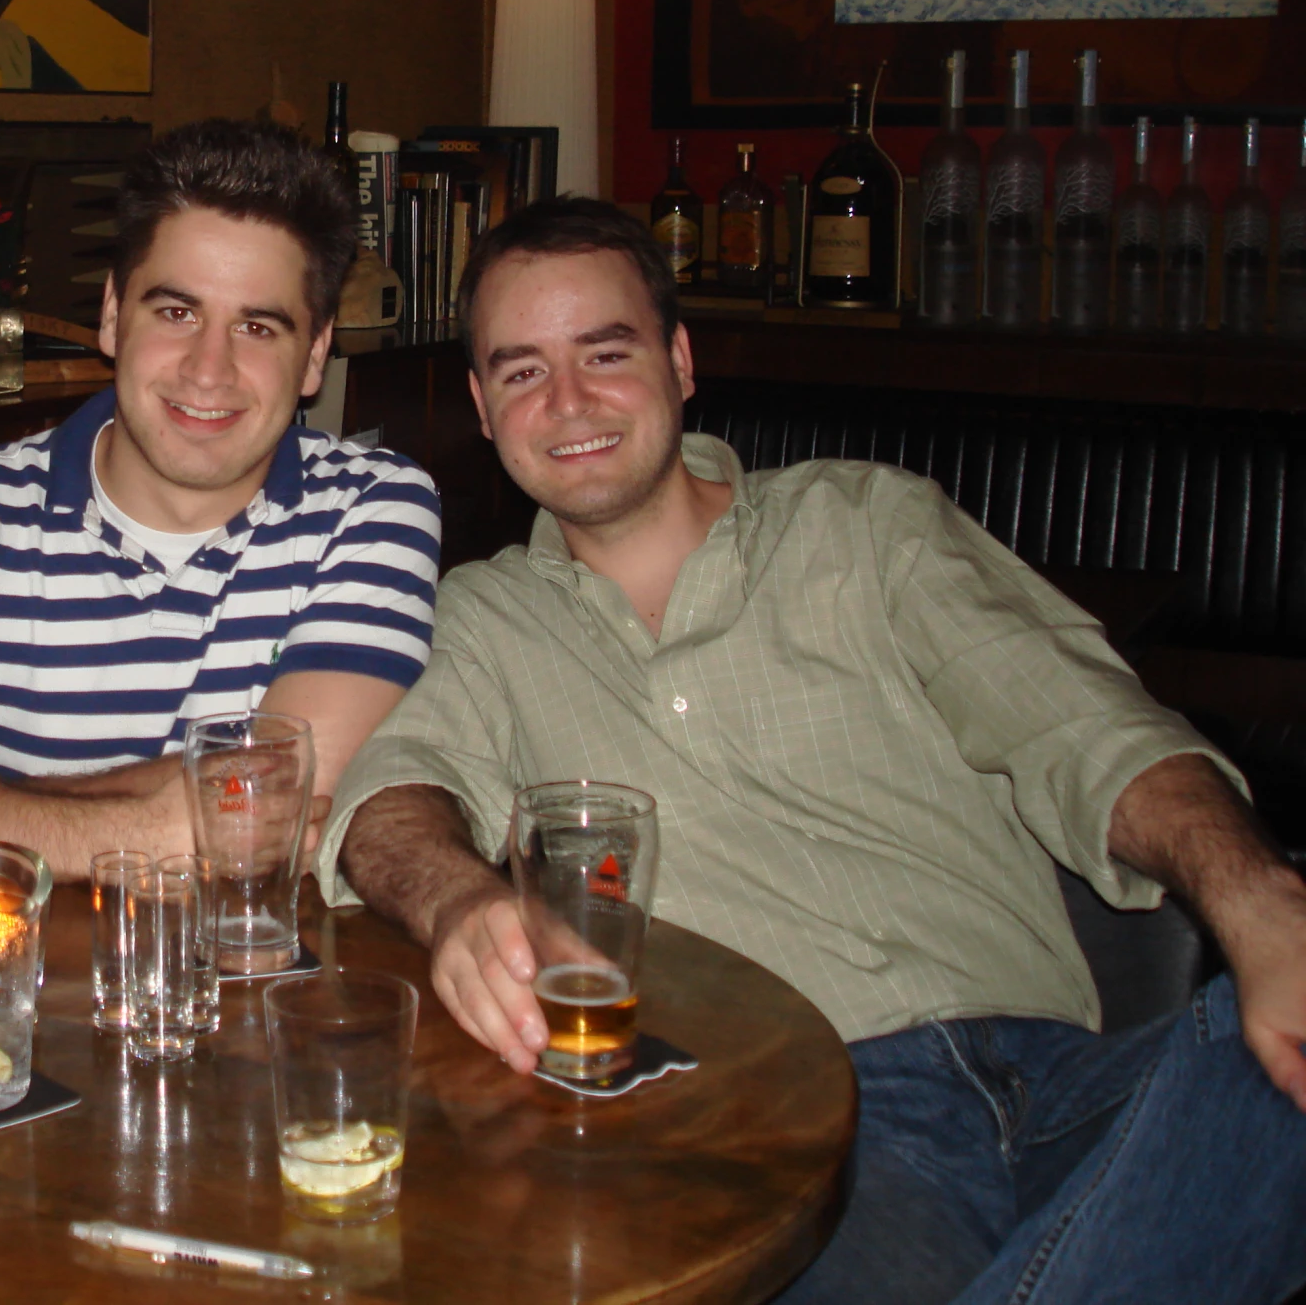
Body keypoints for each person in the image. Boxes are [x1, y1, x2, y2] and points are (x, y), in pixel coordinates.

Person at [323, 197, 1306, 1304]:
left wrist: (1259, 899)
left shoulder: (867, 525)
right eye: (520, 371)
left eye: (605, 353)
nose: (567, 403)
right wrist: (458, 902)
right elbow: (387, 803)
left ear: (679, 361)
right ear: (481, 406)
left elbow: (1082, 728)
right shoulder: (481, 619)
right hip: (810, 1120)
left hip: (1082, 1079)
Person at [0, 119, 443, 880]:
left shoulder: (374, 510)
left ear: (313, 357)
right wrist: (152, 828)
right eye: (177, 313)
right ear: (111, 315)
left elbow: (274, 805)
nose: (209, 368)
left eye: (258, 327)